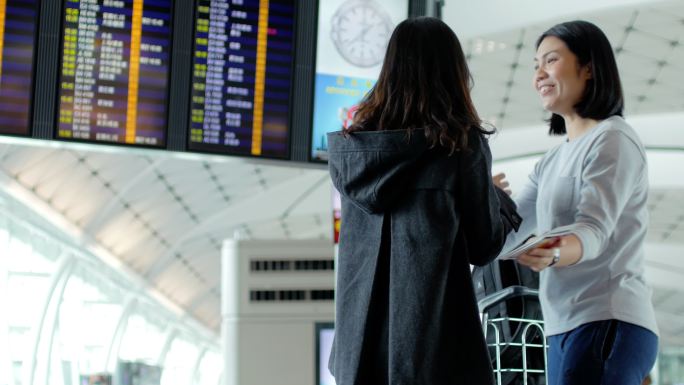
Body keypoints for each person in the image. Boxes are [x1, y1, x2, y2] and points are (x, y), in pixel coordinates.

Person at [327, 17, 520, 385]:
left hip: (358, 355)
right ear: (453, 73)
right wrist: (496, 197)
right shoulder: (460, 145)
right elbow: (483, 246)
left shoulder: (354, 150)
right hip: (432, 352)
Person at [495, 20, 659, 385]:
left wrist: (553, 251)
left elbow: (594, 229)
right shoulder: (551, 161)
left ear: (588, 68)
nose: (539, 74)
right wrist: (484, 201)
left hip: (608, 317)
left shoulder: (613, 138)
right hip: (562, 325)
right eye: (535, 65)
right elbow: (509, 234)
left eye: (550, 61)